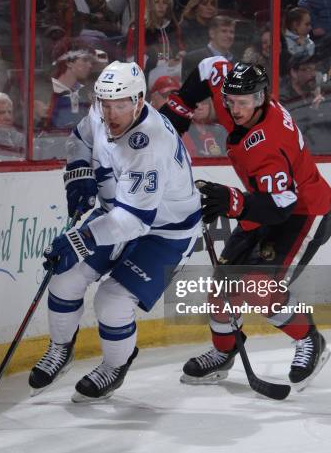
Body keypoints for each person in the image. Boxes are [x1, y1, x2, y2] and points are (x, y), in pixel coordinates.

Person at [28, 61, 201, 402]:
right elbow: (80, 137)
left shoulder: (148, 144)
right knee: (63, 278)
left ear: (139, 101)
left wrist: (79, 239)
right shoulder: (101, 109)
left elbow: (135, 221)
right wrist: (78, 172)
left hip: (164, 232)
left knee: (112, 301)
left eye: (120, 104)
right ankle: (61, 349)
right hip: (115, 215)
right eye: (105, 104)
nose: (111, 112)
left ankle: (114, 365)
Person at [161, 58, 331, 391]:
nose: (235, 109)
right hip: (265, 204)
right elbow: (208, 66)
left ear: (261, 99)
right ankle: (223, 352)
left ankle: (310, 340)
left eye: (243, 103)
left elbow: (283, 205)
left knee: (258, 289)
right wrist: (181, 107)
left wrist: (232, 202)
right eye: (230, 101)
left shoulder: (270, 141)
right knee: (220, 292)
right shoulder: (236, 94)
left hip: (304, 213)